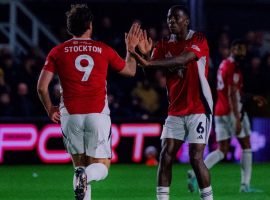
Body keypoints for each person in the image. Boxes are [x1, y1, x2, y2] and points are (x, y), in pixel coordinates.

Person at [37, 4, 141, 200]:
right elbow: (130, 70)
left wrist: (50, 108)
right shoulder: (103, 49)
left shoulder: (57, 51)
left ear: (69, 28)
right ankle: (86, 175)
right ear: (90, 26)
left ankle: (82, 175)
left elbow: (41, 87)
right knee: (101, 167)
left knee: (79, 167)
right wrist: (131, 50)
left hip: (70, 115)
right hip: (97, 113)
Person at [130, 5, 214, 200]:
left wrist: (148, 61)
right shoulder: (163, 43)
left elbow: (183, 59)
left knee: (195, 157)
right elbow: (149, 69)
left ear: (187, 21)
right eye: (169, 18)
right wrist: (145, 55)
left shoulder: (198, 39)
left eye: (176, 18)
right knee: (165, 155)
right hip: (175, 110)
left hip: (199, 108)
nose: (171, 21)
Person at [187, 39, 267, 193]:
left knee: (222, 150)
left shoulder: (224, 64)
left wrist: (251, 97)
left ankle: (194, 173)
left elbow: (231, 90)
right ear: (232, 50)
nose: (241, 52)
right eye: (238, 49)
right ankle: (245, 186)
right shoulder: (233, 67)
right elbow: (231, 93)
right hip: (232, 111)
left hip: (219, 111)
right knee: (246, 146)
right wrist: (237, 118)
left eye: (242, 49)